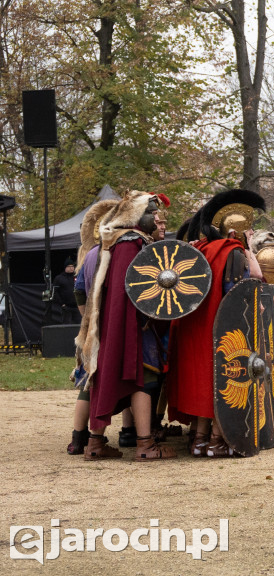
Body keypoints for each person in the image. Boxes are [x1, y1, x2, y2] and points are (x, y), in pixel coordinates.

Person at [77, 190, 176, 461]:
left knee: (103, 375)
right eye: (152, 213)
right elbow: (134, 292)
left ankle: (95, 443)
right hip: (132, 325)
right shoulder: (130, 243)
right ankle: (145, 445)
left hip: (112, 325)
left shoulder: (110, 243)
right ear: (135, 216)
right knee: (143, 379)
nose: (156, 219)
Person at [167, 189, 264, 458]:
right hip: (220, 327)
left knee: (202, 383)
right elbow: (240, 290)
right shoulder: (232, 252)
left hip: (192, 327)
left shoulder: (199, 248)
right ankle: (218, 440)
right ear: (236, 233)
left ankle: (199, 440)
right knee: (224, 381)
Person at [66, 197, 119, 455]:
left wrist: (87, 319)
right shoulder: (115, 252)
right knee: (113, 379)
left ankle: (78, 439)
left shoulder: (89, 255)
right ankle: (131, 435)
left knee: (89, 381)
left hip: (91, 328)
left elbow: (79, 292)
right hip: (109, 327)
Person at [51, 257, 81, 324]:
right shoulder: (59, 278)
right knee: (66, 326)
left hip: (77, 306)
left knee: (79, 325)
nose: (71, 268)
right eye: (69, 266)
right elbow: (55, 292)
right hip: (66, 307)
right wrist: (62, 304)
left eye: (72, 266)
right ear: (65, 268)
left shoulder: (77, 276)